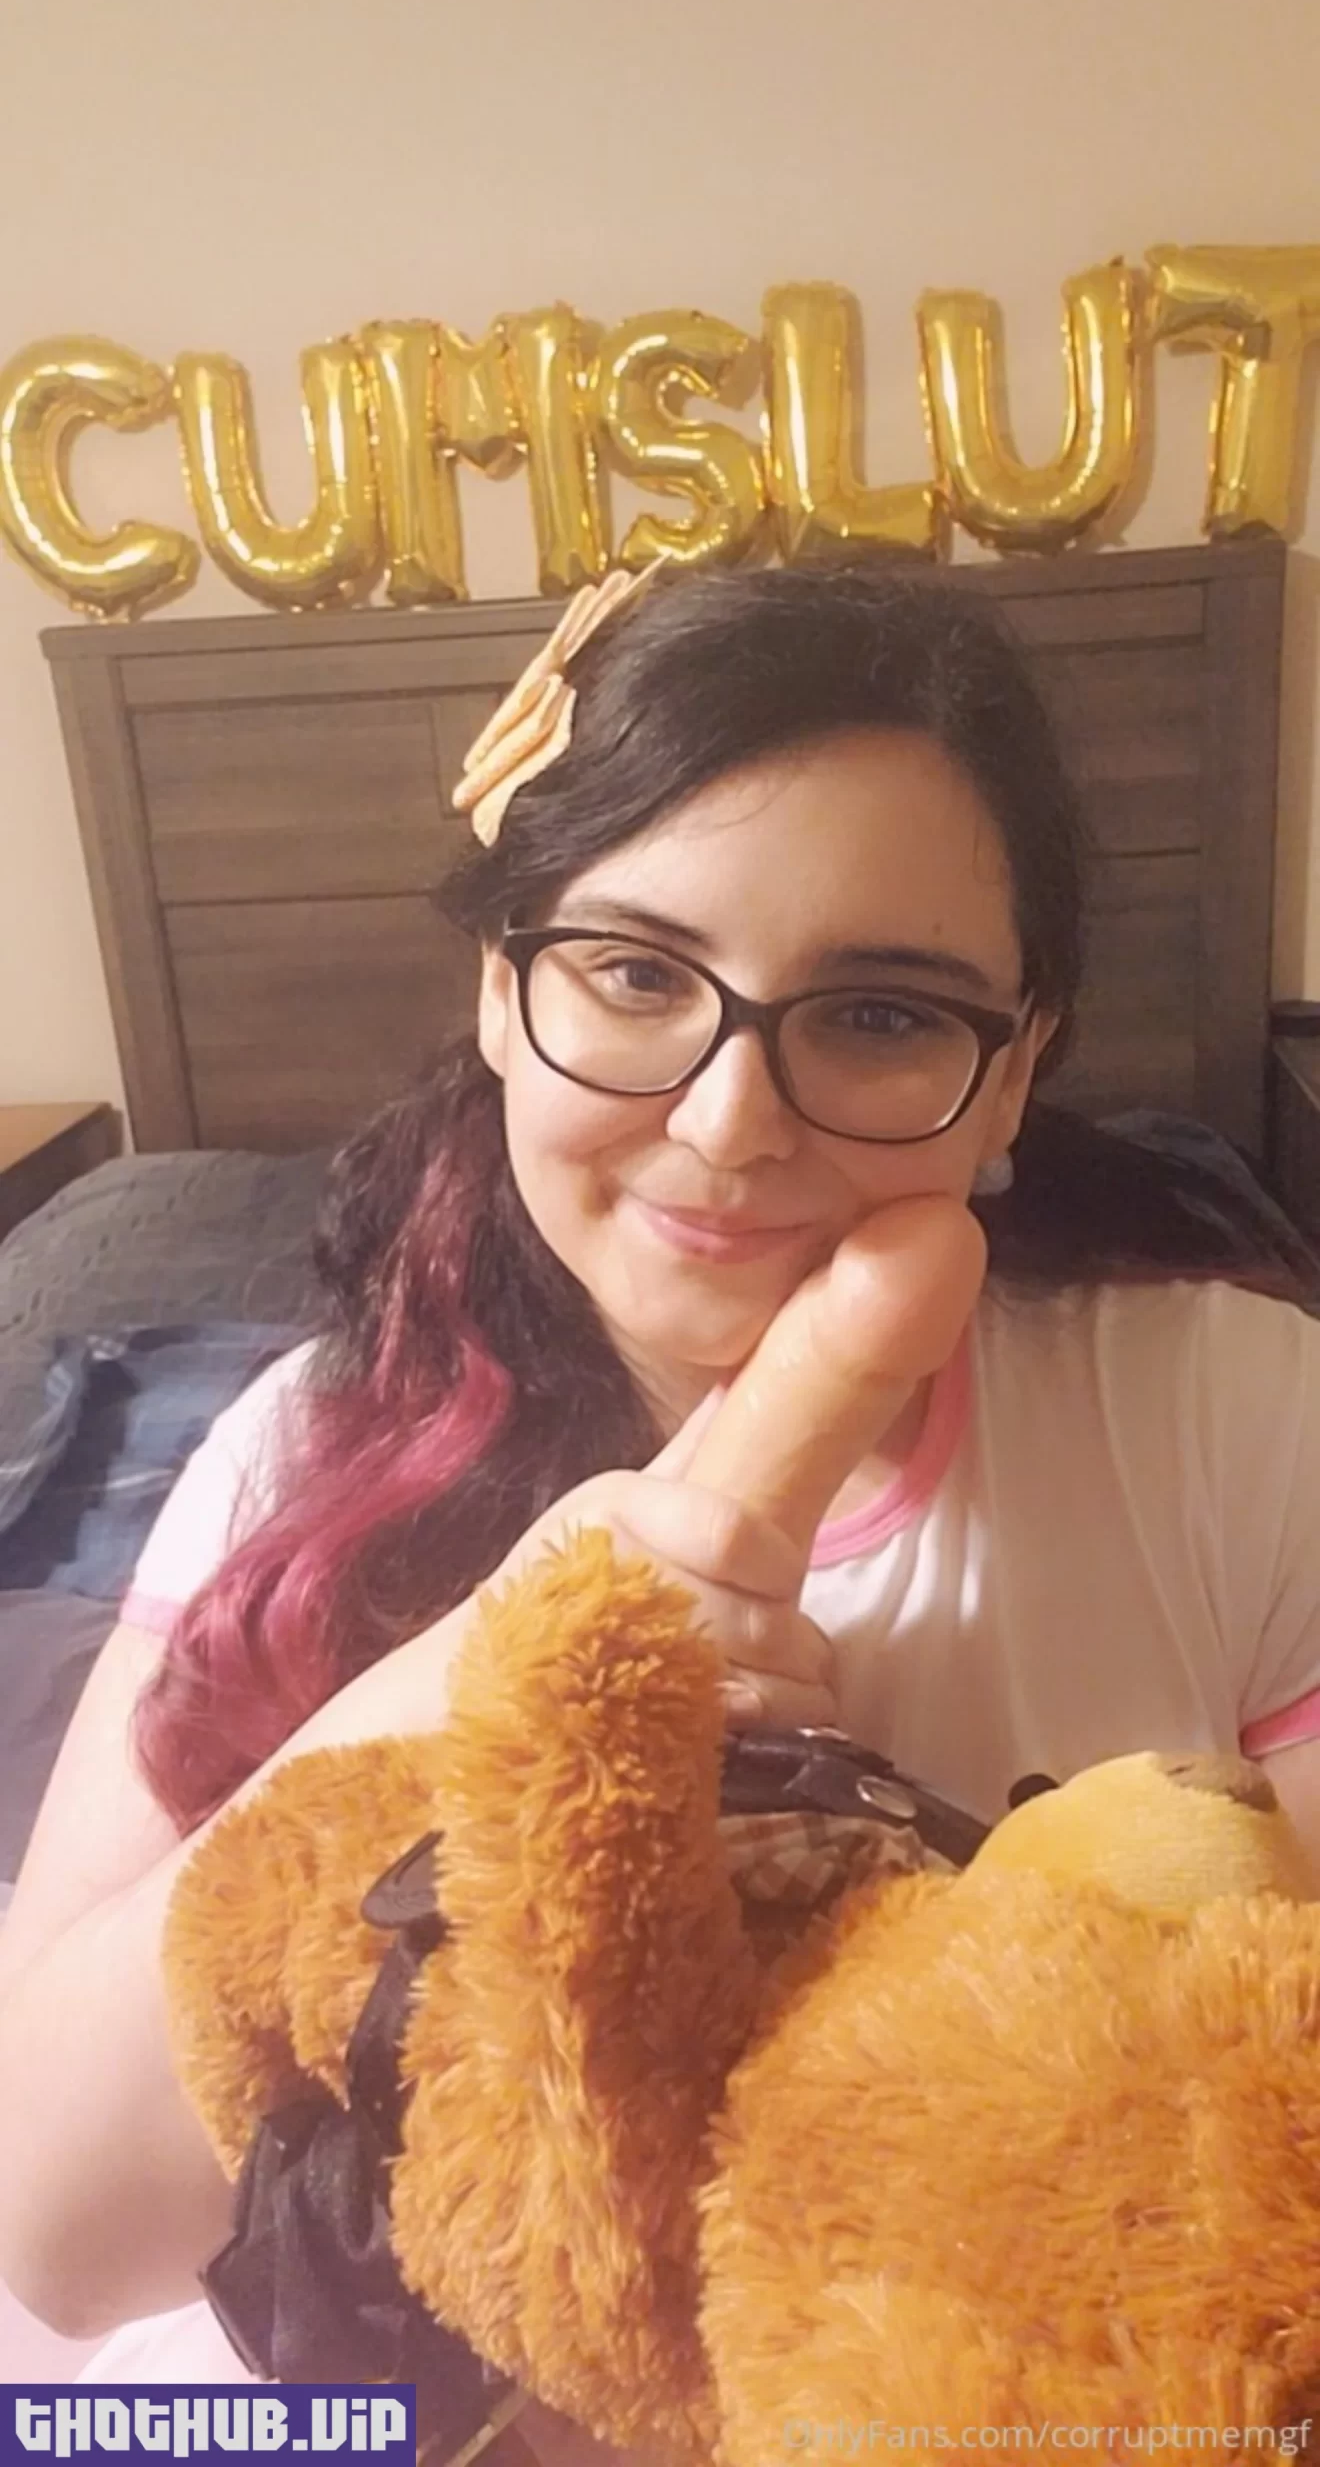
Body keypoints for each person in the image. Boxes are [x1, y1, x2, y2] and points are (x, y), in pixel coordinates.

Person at [1, 560, 1318, 2368]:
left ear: (1014, 1075)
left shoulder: (1234, 1419)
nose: (726, 1122)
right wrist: (484, 1681)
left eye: (879, 1013)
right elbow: (54, 2240)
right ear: (499, 992)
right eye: (633, 973)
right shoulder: (296, 1455)